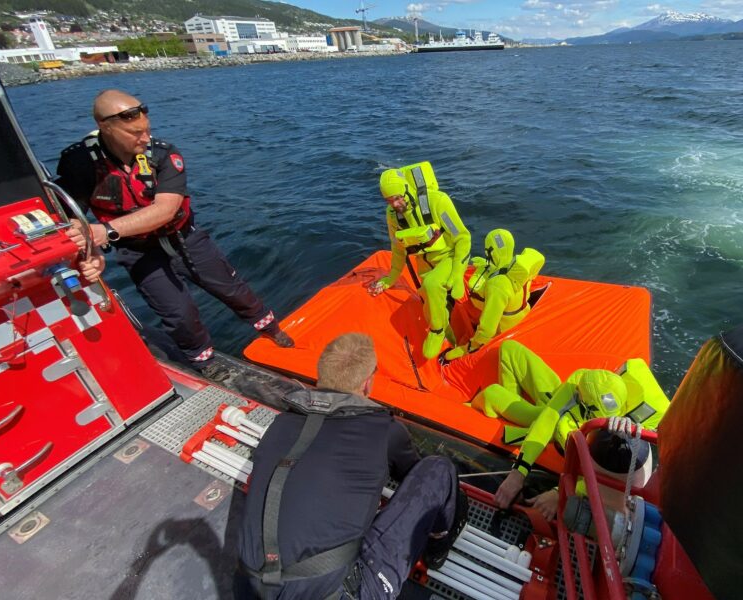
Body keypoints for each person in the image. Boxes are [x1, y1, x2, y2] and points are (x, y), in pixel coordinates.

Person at [57, 90, 292, 379]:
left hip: (184, 238)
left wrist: (104, 231)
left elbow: (165, 209)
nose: (144, 139)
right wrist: (89, 252)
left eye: (147, 130)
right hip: (139, 250)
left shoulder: (164, 155)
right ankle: (204, 361)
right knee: (178, 313)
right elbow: (71, 218)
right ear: (105, 126)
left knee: (232, 289)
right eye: (134, 133)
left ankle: (270, 328)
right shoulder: (79, 163)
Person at [236, 333, 468, 599]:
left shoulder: (281, 423)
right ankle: (437, 544)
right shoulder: (386, 431)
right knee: (438, 471)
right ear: (368, 383)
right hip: (346, 592)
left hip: (250, 586)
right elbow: (412, 477)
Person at [475, 340, 669, 513]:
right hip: (556, 408)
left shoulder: (624, 437)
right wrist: (518, 473)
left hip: (566, 428)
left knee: (491, 394)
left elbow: (605, 481)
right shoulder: (580, 385)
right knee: (510, 348)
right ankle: (514, 400)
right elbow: (548, 418)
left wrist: (559, 493)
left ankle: (488, 407)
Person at [367, 164, 471, 359]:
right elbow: (397, 248)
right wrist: (390, 278)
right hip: (424, 265)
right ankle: (452, 340)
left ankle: (437, 331)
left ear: (407, 189)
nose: (395, 204)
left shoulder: (438, 201)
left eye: (397, 198)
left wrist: (457, 273)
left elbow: (463, 239)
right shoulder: (392, 215)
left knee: (432, 286)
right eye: (389, 200)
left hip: (449, 257)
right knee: (431, 302)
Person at [443, 229, 544, 362]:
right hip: (521, 319)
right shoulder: (517, 271)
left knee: (459, 308)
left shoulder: (497, 285)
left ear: (490, 252)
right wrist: (488, 267)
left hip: (502, 331)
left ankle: (452, 341)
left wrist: (470, 347)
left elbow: (487, 329)